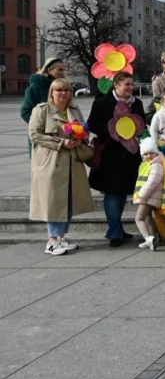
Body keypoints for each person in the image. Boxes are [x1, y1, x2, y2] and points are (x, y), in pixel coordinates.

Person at [28, 77, 95, 255]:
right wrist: (60, 142)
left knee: (69, 199)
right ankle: (52, 240)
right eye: (59, 90)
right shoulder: (42, 110)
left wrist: (81, 137)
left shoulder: (74, 110)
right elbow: (34, 135)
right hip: (51, 162)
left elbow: (84, 130)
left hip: (73, 161)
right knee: (54, 201)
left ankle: (62, 237)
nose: (63, 93)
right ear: (52, 92)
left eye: (66, 90)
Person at [88, 72, 145, 247]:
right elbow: (92, 124)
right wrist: (111, 130)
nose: (130, 87)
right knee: (113, 192)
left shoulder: (137, 103)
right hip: (110, 154)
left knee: (122, 192)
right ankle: (114, 232)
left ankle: (117, 227)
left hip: (130, 154)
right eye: (126, 84)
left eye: (131, 84)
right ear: (116, 86)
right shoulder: (102, 103)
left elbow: (141, 123)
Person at [134, 138, 165, 251]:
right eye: (145, 154)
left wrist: (142, 195)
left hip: (149, 197)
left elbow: (152, 181)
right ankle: (153, 239)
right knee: (148, 218)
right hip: (150, 196)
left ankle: (148, 238)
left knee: (139, 218)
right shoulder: (149, 164)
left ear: (156, 152)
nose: (148, 156)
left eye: (151, 153)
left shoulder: (156, 164)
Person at [21, 57, 67, 124]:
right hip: (41, 132)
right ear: (49, 71)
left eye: (64, 70)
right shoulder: (36, 87)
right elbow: (25, 112)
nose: (63, 72)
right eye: (60, 70)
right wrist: (41, 125)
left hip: (62, 130)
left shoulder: (64, 88)